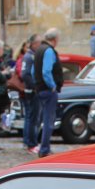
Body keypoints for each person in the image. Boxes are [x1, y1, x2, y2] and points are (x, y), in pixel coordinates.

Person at [33, 28, 63, 158]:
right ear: (55, 39)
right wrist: (53, 86)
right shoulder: (49, 51)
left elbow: (34, 71)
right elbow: (46, 71)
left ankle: (42, 146)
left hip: (39, 88)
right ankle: (44, 148)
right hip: (47, 89)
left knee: (42, 119)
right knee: (48, 120)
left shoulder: (39, 49)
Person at [14, 34, 41, 152]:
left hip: (29, 90)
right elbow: (25, 74)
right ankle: (31, 143)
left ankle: (28, 142)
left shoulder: (29, 56)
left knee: (30, 118)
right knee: (32, 118)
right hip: (31, 91)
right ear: (34, 44)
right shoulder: (30, 57)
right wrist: (35, 86)